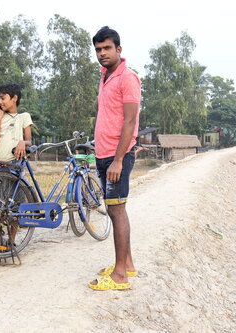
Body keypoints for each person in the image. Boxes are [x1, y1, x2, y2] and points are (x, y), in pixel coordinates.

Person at [88, 26, 141, 291]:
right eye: (98, 49)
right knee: (113, 207)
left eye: (107, 48)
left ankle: (120, 275)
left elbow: (130, 120)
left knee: (117, 208)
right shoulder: (105, 76)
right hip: (102, 153)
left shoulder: (127, 78)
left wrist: (119, 159)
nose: (102, 53)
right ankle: (127, 263)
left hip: (117, 156)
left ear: (119, 50)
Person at [0, 83, 33, 161]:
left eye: (2, 98)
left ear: (14, 98)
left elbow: (29, 141)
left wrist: (22, 142)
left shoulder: (24, 117)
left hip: (15, 164)